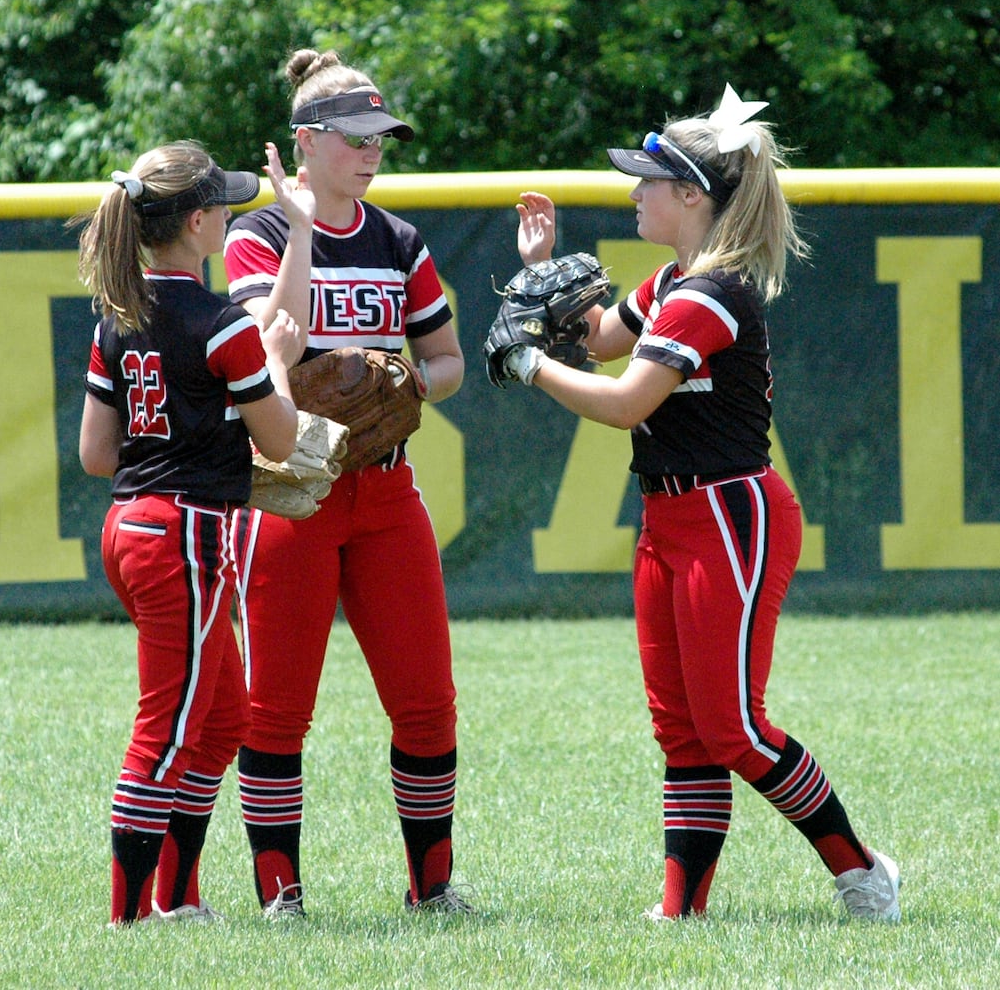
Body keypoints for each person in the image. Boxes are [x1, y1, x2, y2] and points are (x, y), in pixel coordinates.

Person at [501, 85, 901, 922]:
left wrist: (530, 366)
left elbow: (622, 403)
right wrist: (542, 279)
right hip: (671, 518)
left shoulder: (710, 293)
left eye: (648, 180)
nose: (633, 192)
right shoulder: (674, 281)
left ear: (691, 196)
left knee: (732, 728)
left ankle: (862, 870)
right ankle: (679, 910)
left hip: (729, 517)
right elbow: (601, 339)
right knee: (681, 729)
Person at [222, 48, 470, 917]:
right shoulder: (253, 234)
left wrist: (410, 385)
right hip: (292, 488)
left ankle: (431, 889)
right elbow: (264, 348)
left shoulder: (400, 240)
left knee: (426, 702)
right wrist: (295, 227)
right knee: (276, 707)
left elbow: (446, 361)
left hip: (385, 491)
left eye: (381, 138)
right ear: (308, 141)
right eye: (357, 137)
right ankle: (278, 895)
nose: (373, 152)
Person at [75, 140, 305, 926]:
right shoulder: (220, 321)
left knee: (223, 718)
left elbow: (95, 454)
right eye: (225, 207)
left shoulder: (119, 315)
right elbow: (279, 440)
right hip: (185, 532)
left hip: (129, 524)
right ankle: (131, 917)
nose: (231, 216)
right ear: (200, 223)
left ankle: (176, 897)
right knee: (169, 725)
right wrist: (273, 362)